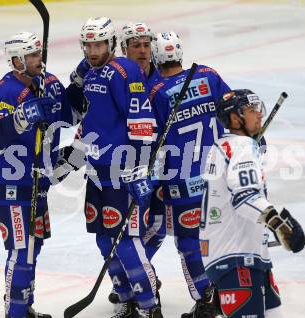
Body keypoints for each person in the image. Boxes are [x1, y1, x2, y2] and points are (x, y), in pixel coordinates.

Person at [0, 31, 86, 318]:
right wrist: (21, 117)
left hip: (38, 182)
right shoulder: (3, 91)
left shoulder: (49, 83)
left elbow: (71, 115)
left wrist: (80, 80)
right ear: (16, 60)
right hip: (11, 185)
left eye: (38, 53)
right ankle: (15, 313)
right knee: (21, 251)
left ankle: (24, 307)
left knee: (33, 247)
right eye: (31, 56)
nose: (37, 60)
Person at [195, 89, 305, 318]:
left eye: (257, 109)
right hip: (237, 258)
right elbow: (245, 197)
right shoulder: (242, 147)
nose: (259, 115)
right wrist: (280, 225)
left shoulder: (223, 146)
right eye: (251, 110)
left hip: (246, 254)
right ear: (235, 119)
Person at [78, 17, 162, 317]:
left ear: (111, 44)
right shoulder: (89, 74)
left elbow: (142, 123)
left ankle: (149, 305)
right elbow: (88, 126)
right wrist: (69, 162)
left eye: (99, 44)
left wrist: (140, 170)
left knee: (126, 240)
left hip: (122, 172)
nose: (93, 50)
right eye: (88, 45)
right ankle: (126, 297)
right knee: (103, 238)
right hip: (97, 173)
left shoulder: (123, 71)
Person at [149, 31, 231, 317]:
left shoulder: (157, 92)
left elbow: (150, 139)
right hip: (220, 175)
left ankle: (206, 300)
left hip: (183, 181)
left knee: (188, 242)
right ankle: (227, 293)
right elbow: (234, 111)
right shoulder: (207, 75)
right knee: (220, 237)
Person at [106, 21, 165, 306]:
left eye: (146, 45)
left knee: (158, 226)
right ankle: (136, 283)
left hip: (164, 166)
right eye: (135, 46)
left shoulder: (163, 77)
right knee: (125, 233)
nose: (142, 51)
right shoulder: (116, 76)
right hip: (125, 169)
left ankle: (138, 275)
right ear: (123, 48)